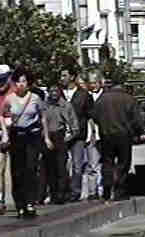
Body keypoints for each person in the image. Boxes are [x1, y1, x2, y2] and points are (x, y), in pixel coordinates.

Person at [0, 66, 53, 218]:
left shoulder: (35, 98)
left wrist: (46, 137)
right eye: (18, 82)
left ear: (28, 83)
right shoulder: (9, 99)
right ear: (14, 83)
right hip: (17, 136)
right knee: (17, 171)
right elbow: (2, 115)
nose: (21, 85)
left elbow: (42, 117)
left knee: (31, 168)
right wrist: (5, 133)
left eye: (24, 81)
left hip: (32, 135)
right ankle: (20, 204)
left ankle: (30, 202)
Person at [91, 77, 144, 202]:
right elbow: (136, 119)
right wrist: (138, 132)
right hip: (124, 135)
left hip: (106, 134)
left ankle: (107, 191)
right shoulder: (129, 99)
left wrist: (103, 125)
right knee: (123, 163)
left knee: (107, 162)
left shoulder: (102, 99)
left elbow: (94, 116)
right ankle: (120, 191)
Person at [60, 66, 93, 202]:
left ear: (72, 77)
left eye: (64, 75)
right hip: (60, 134)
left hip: (78, 135)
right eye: (61, 76)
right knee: (62, 165)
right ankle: (63, 191)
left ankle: (75, 192)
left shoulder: (83, 95)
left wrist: (92, 134)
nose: (62, 78)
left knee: (77, 165)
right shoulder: (58, 93)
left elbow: (90, 115)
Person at [42, 83, 79, 205]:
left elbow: (74, 126)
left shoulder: (66, 105)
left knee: (61, 167)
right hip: (47, 137)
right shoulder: (44, 105)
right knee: (49, 168)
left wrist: (67, 139)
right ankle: (52, 194)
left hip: (60, 135)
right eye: (51, 91)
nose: (53, 93)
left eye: (55, 91)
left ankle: (61, 194)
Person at [85, 69, 104, 200]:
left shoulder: (106, 96)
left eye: (95, 82)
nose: (93, 85)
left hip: (106, 134)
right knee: (92, 165)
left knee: (106, 163)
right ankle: (93, 191)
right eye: (91, 83)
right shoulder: (86, 96)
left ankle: (104, 188)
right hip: (91, 135)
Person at [0, 65, 14, 215]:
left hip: (16, 134)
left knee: (15, 169)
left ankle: (13, 200)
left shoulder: (15, 91)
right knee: (0, 169)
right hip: (1, 135)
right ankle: (1, 200)